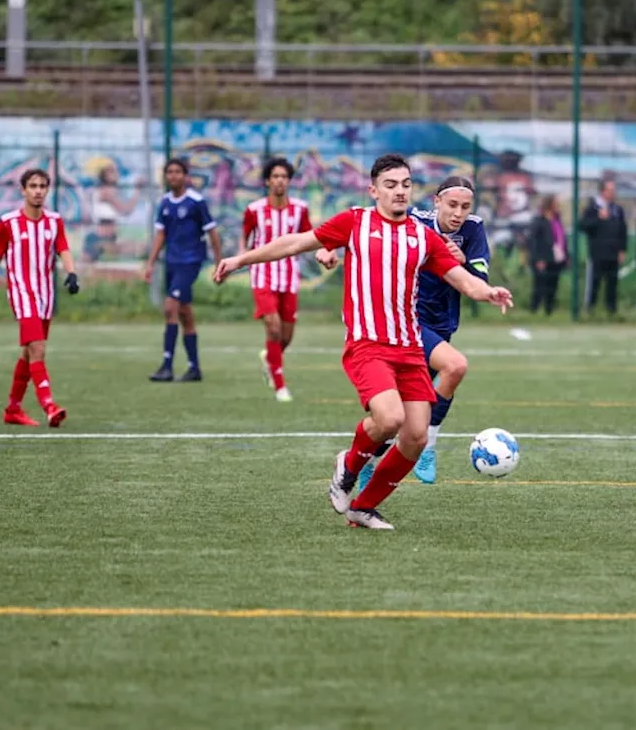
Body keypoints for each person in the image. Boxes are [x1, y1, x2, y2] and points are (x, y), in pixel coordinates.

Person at [211, 154, 513, 531]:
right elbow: (296, 242)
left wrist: (489, 292)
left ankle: (363, 508)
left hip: (409, 346)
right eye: (390, 185)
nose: (399, 191)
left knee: (416, 436)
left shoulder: (423, 237)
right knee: (390, 418)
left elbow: (463, 279)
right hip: (368, 344)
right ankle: (348, 466)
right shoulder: (355, 222)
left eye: (405, 184)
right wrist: (241, 259)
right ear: (373, 191)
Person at [343, 175, 493, 489]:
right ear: (436, 201)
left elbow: (479, 276)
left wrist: (463, 261)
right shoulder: (414, 220)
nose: (458, 213)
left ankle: (369, 462)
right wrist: (332, 249)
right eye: (452, 204)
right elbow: (369, 229)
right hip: (407, 323)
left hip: (442, 324)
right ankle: (428, 447)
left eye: (465, 206)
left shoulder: (473, 228)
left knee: (408, 414)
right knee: (454, 367)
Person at [0, 169, 80, 427]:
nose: (38, 190)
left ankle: (12, 410)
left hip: (45, 296)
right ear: (23, 190)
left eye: (42, 186)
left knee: (29, 353)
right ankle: (50, 406)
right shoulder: (8, 222)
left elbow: (63, 247)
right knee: (38, 349)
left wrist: (72, 273)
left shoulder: (55, 221)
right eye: (33, 186)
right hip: (22, 294)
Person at [143, 159, 222, 383]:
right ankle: (194, 368)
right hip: (172, 263)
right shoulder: (165, 203)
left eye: (178, 172)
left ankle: (167, 366)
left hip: (191, 262)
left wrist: (220, 262)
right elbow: (161, 235)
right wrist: (150, 263)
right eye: (169, 172)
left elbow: (212, 232)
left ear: (186, 176)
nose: (173, 176)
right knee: (185, 314)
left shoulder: (196, 202)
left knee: (170, 307)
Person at [241, 157, 312, 403]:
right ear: (267, 181)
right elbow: (246, 239)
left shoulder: (300, 209)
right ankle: (280, 385)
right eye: (275, 176)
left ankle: (269, 359)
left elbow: (309, 237)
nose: (280, 180)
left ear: (289, 181)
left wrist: (324, 252)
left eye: (284, 176)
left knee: (286, 335)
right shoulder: (254, 210)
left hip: (289, 277)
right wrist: (241, 259)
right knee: (272, 327)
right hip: (262, 276)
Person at [578, 179, 627, 316]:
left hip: (613, 253)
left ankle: (611, 312)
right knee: (594, 283)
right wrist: (598, 218)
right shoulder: (593, 208)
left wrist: (622, 249)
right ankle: (590, 310)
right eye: (610, 190)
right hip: (597, 253)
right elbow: (583, 226)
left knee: (612, 284)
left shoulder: (617, 210)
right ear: (603, 191)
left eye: (614, 190)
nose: (613, 193)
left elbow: (622, 230)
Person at [527, 194, 567, 315]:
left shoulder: (557, 219)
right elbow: (534, 240)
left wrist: (566, 254)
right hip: (542, 258)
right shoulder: (539, 220)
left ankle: (549, 311)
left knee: (552, 285)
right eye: (556, 203)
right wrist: (539, 258)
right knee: (539, 285)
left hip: (556, 258)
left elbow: (561, 238)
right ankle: (534, 310)